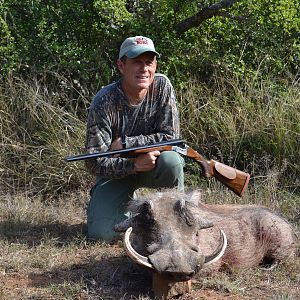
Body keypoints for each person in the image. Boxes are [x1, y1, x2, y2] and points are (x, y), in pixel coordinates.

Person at [85, 36, 185, 241]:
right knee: (102, 235)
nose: (144, 69)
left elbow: (170, 138)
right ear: (121, 66)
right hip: (117, 172)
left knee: (172, 161)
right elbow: (94, 163)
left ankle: (179, 218)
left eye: (149, 62)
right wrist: (134, 165)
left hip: (154, 165)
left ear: (155, 65)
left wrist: (125, 144)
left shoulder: (163, 86)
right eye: (136, 62)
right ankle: (139, 211)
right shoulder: (103, 100)